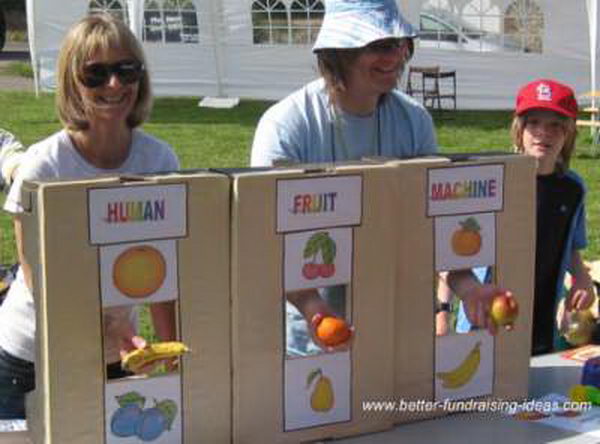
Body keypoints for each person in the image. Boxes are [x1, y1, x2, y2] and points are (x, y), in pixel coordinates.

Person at [251, 0, 506, 349]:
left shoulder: (415, 122)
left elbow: (430, 224)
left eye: (402, 44)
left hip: (395, 327)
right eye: (381, 46)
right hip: (311, 337)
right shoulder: (287, 126)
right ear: (340, 52)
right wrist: (314, 308)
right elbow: (268, 239)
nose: (397, 57)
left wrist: (467, 285)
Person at [0, 14, 179, 418]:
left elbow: (164, 269)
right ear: (71, 83)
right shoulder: (42, 167)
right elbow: (38, 278)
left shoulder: (160, 160)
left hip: (116, 350)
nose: (114, 84)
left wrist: (172, 357)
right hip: (31, 355)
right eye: (95, 74)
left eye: (125, 70)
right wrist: (114, 329)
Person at [456, 79, 595, 355]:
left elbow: (570, 246)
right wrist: (441, 310)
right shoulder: (491, 183)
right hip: (483, 317)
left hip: (541, 318)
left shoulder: (572, 189)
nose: (544, 133)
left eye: (556, 125)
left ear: (568, 133)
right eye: (534, 123)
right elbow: (454, 250)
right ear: (519, 130)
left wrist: (581, 278)